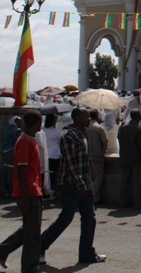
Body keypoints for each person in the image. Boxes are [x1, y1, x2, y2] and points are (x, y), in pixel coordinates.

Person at [39, 108, 106, 265]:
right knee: (66, 218)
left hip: (85, 181)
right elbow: (70, 163)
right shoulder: (69, 136)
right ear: (77, 118)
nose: (89, 119)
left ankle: (87, 253)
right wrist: (80, 184)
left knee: (90, 218)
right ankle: (40, 245)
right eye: (86, 116)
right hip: (72, 184)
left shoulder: (83, 134)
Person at [0, 110, 43, 273]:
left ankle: (2, 250)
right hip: (29, 190)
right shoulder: (25, 141)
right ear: (35, 123)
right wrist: (25, 196)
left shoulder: (29, 139)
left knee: (29, 229)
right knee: (32, 233)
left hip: (32, 189)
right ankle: (29, 267)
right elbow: (21, 169)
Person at [118, 109, 141, 209]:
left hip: (125, 158)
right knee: (137, 182)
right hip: (136, 159)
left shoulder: (123, 128)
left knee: (124, 182)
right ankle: (137, 203)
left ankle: (123, 202)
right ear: (139, 117)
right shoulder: (139, 129)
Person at [85, 110, 108, 204]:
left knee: (90, 177)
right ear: (97, 116)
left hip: (87, 155)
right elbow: (105, 141)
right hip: (97, 156)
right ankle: (92, 197)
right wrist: (103, 152)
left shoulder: (85, 127)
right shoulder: (99, 128)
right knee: (98, 178)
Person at [0, 116, 22, 196]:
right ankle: (11, 191)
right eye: (19, 121)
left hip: (5, 152)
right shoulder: (17, 130)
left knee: (5, 171)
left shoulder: (6, 129)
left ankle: (7, 191)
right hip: (12, 152)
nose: (20, 123)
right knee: (11, 172)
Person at [42, 114, 62, 198]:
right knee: (52, 175)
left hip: (45, 154)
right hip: (54, 155)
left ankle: (45, 191)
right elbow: (60, 142)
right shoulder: (56, 132)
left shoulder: (42, 130)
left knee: (45, 174)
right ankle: (50, 192)